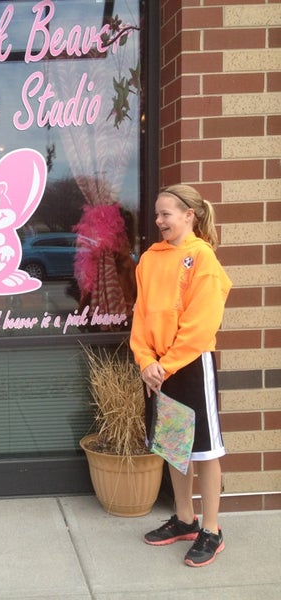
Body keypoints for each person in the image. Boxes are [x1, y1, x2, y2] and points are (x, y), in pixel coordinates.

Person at [130, 185, 232, 567]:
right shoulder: (149, 260)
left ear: (189, 215)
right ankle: (185, 519)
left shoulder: (202, 257)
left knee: (204, 450)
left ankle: (211, 529)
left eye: (166, 214)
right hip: (157, 367)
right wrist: (146, 361)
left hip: (189, 365)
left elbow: (201, 322)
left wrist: (166, 364)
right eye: (157, 214)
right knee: (174, 446)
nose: (159, 221)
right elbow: (141, 316)